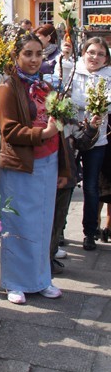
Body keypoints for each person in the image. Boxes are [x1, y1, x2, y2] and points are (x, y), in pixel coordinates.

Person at [0, 33, 69, 305]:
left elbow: (56, 127)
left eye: (38, 54)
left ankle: (40, 279)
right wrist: (44, 133)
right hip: (21, 165)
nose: (34, 59)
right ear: (16, 56)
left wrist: (62, 164)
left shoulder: (44, 86)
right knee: (18, 222)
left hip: (47, 162)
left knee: (42, 223)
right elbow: (9, 130)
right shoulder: (7, 88)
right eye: (28, 53)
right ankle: (14, 281)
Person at [66, 36, 111, 250]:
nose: (95, 57)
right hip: (72, 137)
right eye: (91, 52)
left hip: (97, 141)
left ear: (106, 59)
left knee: (91, 187)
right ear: (84, 53)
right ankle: (59, 231)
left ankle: (90, 231)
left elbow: (108, 107)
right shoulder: (72, 71)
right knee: (66, 184)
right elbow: (66, 100)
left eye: (100, 54)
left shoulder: (109, 77)